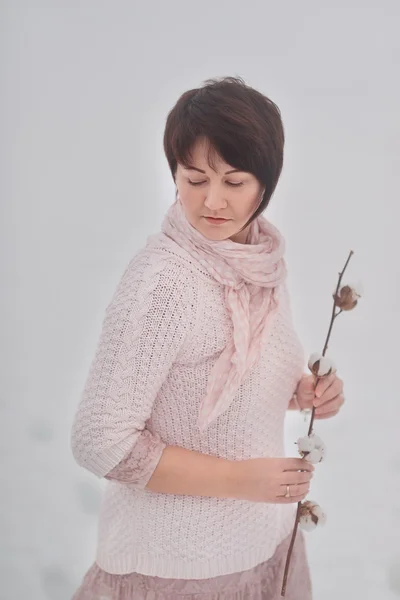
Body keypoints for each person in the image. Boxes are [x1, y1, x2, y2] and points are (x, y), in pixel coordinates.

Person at [71, 76, 345, 599]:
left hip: (266, 545)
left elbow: (237, 378)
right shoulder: (163, 283)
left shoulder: (258, 262)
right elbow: (99, 440)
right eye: (194, 179)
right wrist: (242, 481)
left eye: (234, 181)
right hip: (179, 566)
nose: (212, 201)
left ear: (267, 183)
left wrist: (304, 391)